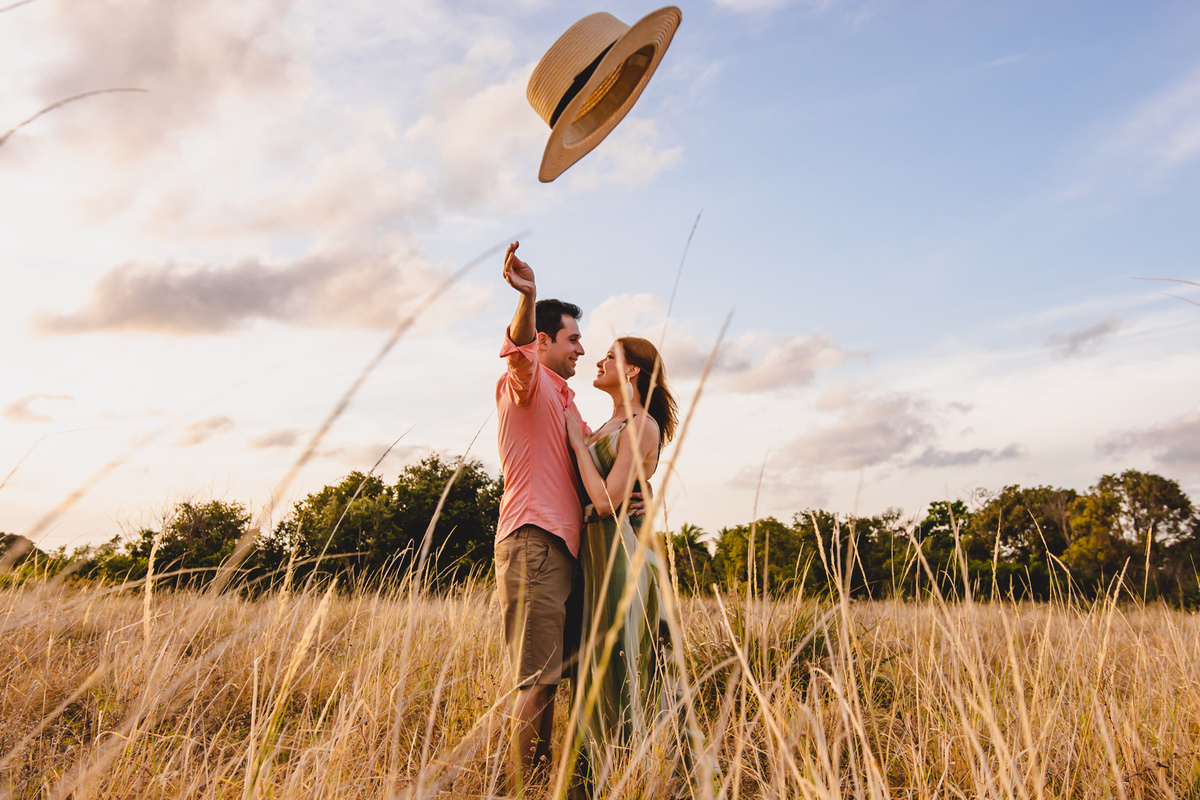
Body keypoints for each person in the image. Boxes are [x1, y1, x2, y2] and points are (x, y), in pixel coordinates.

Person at [492, 241, 591, 791]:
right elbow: (519, 346)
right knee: (537, 680)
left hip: (563, 548)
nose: (581, 349)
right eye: (573, 339)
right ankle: (527, 789)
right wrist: (528, 297)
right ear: (546, 340)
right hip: (534, 539)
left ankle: (557, 781)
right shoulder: (525, 383)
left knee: (556, 679)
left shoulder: (567, 397)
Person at [563, 336, 681, 790]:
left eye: (610, 356)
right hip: (590, 557)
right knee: (592, 669)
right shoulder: (606, 424)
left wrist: (578, 447)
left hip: (619, 557)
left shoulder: (642, 424)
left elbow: (610, 499)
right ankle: (593, 780)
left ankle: (627, 780)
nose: (598, 360)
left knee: (618, 667)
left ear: (632, 370)